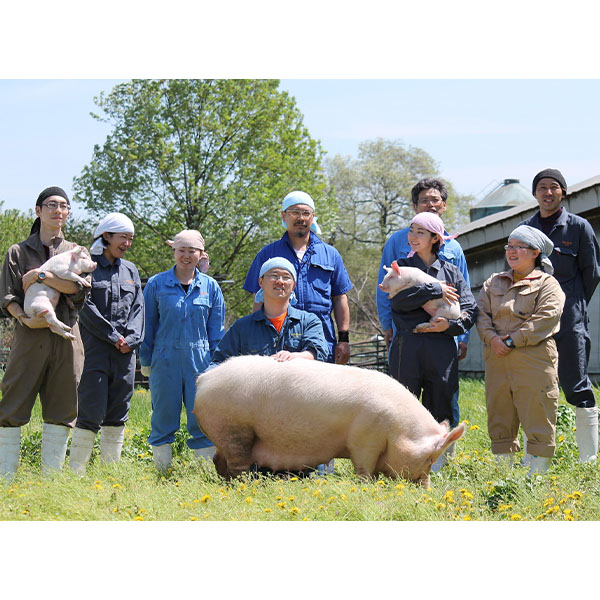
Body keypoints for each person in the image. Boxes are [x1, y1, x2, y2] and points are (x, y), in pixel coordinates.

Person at [0, 187, 92, 479]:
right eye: (51, 204)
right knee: (12, 402)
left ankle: (50, 481)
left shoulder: (77, 252)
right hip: (30, 336)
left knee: (64, 406)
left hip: (67, 335)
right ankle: (6, 478)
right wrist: (24, 319)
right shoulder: (17, 252)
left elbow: (78, 291)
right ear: (38, 210)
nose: (58, 210)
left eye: (64, 206)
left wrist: (41, 276)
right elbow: (8, 296)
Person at [377, 177, 471, 428]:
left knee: (443, 396)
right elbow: (386, 289)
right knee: (402, 399)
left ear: (444, 205)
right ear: (414, 206)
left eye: (435, 200)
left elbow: (465, 299)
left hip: (443, 334)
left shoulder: (454, 251)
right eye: (423, 201)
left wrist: (461, 336)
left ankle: (443, 455)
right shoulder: (397, 243)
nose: (430, 204)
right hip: (407, 333)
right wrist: (387, 325)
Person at [520, 168, 600, 462]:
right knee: (534, 385)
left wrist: (573, 303)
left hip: (570, 321)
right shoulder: (526, 229)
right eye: (542, 187)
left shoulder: (579, 227)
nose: (548, 192)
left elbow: (591, 273)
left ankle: (587, 459)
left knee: (575, 382)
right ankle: (537, 457)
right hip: (534, 323)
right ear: (535, 193)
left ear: (563, 192)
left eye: (554, 187)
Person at [388, 212, 477, 469]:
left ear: (435, 238)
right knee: (404, 404)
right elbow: (398, 303)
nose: (412, 237)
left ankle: (441, 464)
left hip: (441, 346)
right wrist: (435, 289)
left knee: (442, 400)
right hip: (409, 345)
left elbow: (469, 308)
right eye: (411, 230)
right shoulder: (401, 267)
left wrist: (450, 325)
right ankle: (400, 462)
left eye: (420, 232)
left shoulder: (452, 272)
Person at [477, 225, 565, 475]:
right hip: (497, 359)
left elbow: (546, 317)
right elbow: (481, 313)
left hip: (534, 359)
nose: (512, 251)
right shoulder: (493, 282)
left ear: (535, 252)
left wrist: (511, 341)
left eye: (519, 247)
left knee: (538, 410)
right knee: (499, 412)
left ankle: (537, 475)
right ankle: (503, 474)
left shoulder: (548, 284)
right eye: (509, 246)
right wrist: (492, 339)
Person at [139, 230, 225, 472]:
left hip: (201, 362)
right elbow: (148, 326)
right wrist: (146, 360)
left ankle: (205, 471)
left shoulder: (211, 287)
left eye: (192, 251)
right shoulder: (157, 284)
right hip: (164, 360)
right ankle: (161, 470)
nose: (186, 256)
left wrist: (216, 367)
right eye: (182, 250)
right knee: (163, 415)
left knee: (201, 417)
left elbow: (217, 332)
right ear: (174, 252)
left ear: (200, 254)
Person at [69, 213, 145, 474]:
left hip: (126, 354)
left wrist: (132, 340)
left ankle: (109, 472)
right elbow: (85, 307)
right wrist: (114, 336)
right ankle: (76, 472)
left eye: (130, 238)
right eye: (123, 237)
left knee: (118, 410)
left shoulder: (131, 270)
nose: (127, 243)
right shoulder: (87, 266)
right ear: (106, 237)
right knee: (90, 409)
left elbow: (138, 308)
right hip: (96, 351)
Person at [243, 190, 352, 365]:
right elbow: (258, 299)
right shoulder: (268, 254)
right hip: (278, 346)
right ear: (283, 216)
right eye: (294, 212)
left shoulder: (330, 255)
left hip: (322, 345)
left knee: (321, 392)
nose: (300, 218)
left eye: (305, 213)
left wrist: (344, 339)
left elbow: (340, 298)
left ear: (313, 217)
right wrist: (256, 339)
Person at [211, 257, 329, 367]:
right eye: (274, 275)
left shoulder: (309, 322)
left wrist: (294, 356)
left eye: (286, 277)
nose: (280, 281)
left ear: (294, 285)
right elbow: (219, 362)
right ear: (260, 282)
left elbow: (318, 353)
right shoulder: (242, 327)